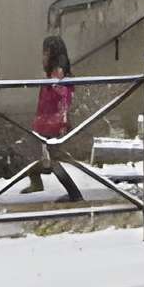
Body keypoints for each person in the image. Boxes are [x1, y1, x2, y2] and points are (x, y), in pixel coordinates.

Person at [17, 36, 87, 202]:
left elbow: (64, 100)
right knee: (35, 153)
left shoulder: (58, 74)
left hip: (52, 123)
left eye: (45, 53)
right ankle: (37, 181)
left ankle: (74, 194)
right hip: (45, 121)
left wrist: (62, 122)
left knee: (53, 160)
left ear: (52, 54)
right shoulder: (53, 73)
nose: (43, 57)